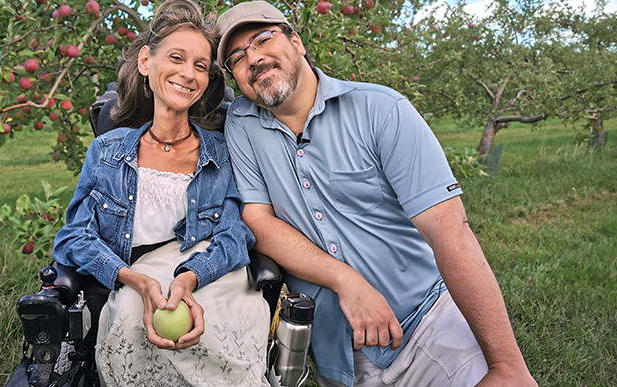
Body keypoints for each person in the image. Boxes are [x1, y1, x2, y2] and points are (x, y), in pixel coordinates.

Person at [216, 2, 538, 387]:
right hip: (339, 358)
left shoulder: (381, 109)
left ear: (297, 42)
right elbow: (258, 221)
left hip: (427, 328)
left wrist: (506, 365)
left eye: (263, 39)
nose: (253, 58)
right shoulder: (242, 122)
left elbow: (449, 231)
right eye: (237, 57)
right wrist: (346, 281)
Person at [52, 1, 270, 386]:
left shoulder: (220, 152)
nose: (188, 74)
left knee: (223, 322)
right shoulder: (107, 151)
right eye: (176, 57)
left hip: (209, 279)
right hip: (137, 280)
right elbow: (74, 237)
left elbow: (235, 235)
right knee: (133, 314)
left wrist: (189, 280)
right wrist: (132, 279)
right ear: (145, 62)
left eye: (201, 66)